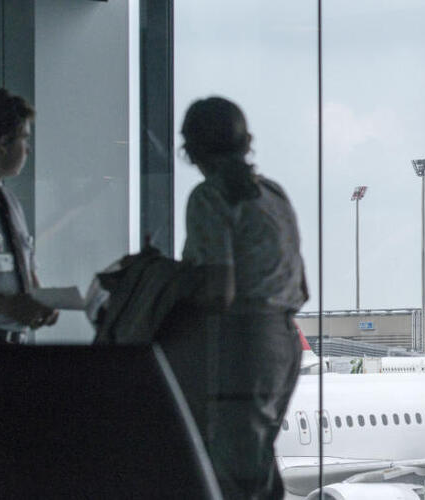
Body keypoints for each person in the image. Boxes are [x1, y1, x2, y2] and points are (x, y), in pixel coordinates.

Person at [162, 96, 307, 499]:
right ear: (246, 143)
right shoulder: (273, 194)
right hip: (284, 342)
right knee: (256, 465)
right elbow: (303, 287)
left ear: (190, 150)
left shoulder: (210, 197)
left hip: (244, 343)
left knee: (236, 473)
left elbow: (218, 292)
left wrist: (163, 286)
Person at [0, 88, 58, 343]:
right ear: (3, 143)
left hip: (15, 344)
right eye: (24, 139)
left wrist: (41, 302)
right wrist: (7, 305)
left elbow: (26, 268)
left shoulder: (11, 205)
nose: (28, 150)